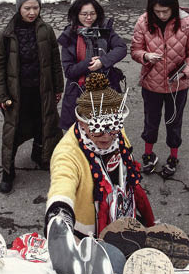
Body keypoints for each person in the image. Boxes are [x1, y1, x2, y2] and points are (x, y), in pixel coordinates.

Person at [44, 72, 155, 240]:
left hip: (123, 220)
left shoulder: (116, 134)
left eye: (114, 127)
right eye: (98, 129)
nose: (107, 136)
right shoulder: (67, 152)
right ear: (82, 122)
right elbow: (62, 183)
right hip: (88, 236)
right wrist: (60, 217)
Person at [0, 0, 64, 194]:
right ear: (18, 8)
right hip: (17, 94)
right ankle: (8, 171)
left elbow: (54, 61)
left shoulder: (46, 30)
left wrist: (58, 87)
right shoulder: (4, 36)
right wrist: (1, 95)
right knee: (13, 132)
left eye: (35, 7)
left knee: (45, 124)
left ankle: (40, 155)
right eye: (27, 8)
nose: (32, 12)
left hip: (41, 91)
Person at [131, 0, 189, 178]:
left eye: (165, 11)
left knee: (174, 122)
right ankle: (148, 154)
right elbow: (135, 50)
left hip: (177, 86)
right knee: (150, 122)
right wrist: (145, 56)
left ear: (174, 7)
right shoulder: (143, 22)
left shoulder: (187, 24)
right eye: (157, 12)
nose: (161, 15)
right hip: (151, 85)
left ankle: (173, 157)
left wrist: (185, 71)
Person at [58, 0, 127, 131]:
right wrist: (88, 63)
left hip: (105, 90)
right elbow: (69, 71)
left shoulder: (105, 30)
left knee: (106, 132)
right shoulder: (69, 36)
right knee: (80, 132)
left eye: (92, 14)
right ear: (76, 14)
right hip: (79, 91)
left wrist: (102, 61)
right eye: (84, 14)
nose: (89, 18)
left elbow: (121, 48)